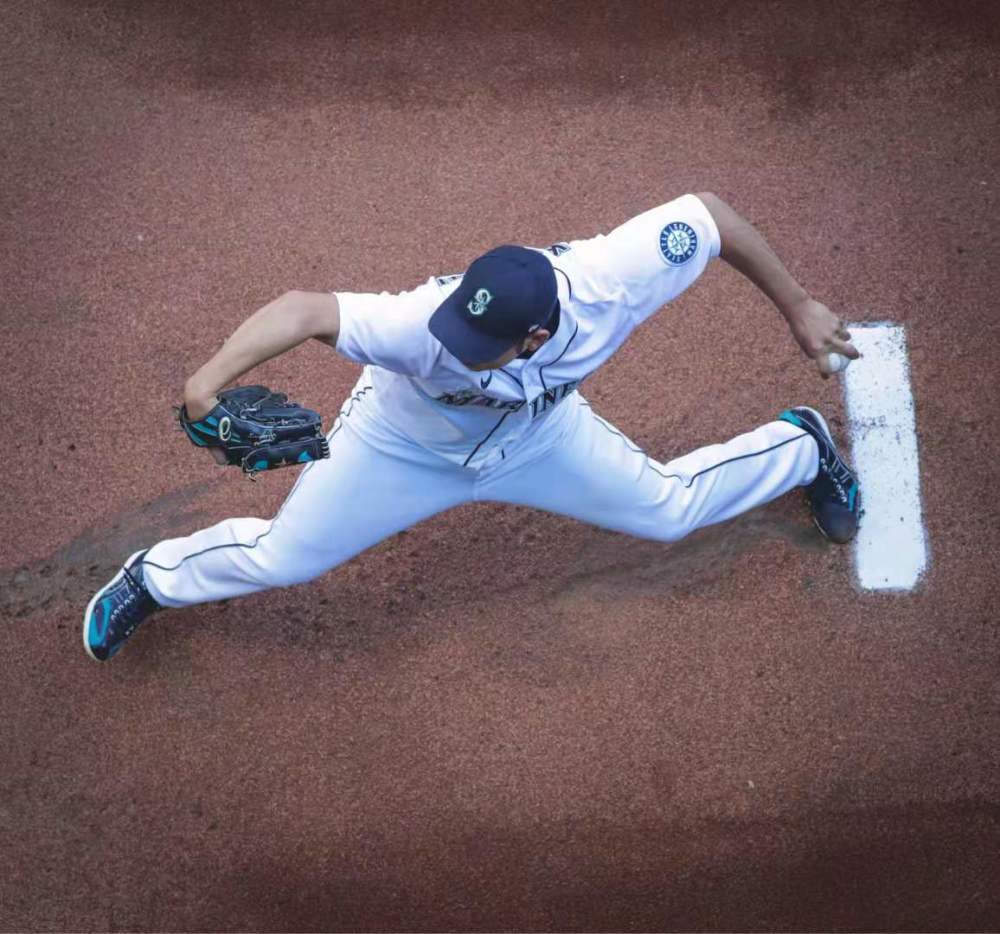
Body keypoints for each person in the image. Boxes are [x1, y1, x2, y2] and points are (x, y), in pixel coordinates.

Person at [83, 192, 860, 662]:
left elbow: (708, 217)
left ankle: (802, 448)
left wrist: (797, 306)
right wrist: (203, 385)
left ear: (535, 336)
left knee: (669, 510)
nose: (454, 342)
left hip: (540, 440)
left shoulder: (612, 282)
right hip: (398, 447)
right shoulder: (418, 325)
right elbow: (302, 309)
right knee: (284, 555)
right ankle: (152, 578)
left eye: (479, 343)